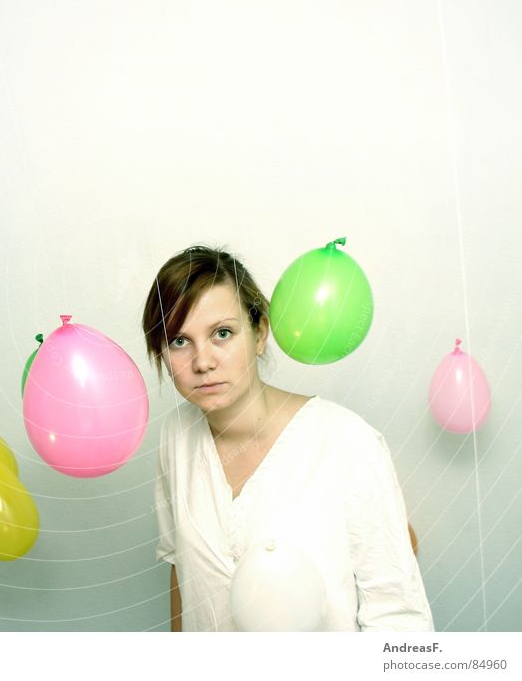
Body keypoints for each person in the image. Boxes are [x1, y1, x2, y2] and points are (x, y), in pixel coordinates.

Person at [142, 245, 433, 632]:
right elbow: (183, 573)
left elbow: (399, 617)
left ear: (259, 333)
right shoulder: (175, 437)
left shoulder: (346, 441)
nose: (203, 362)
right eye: (179, 341)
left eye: (222, 333)